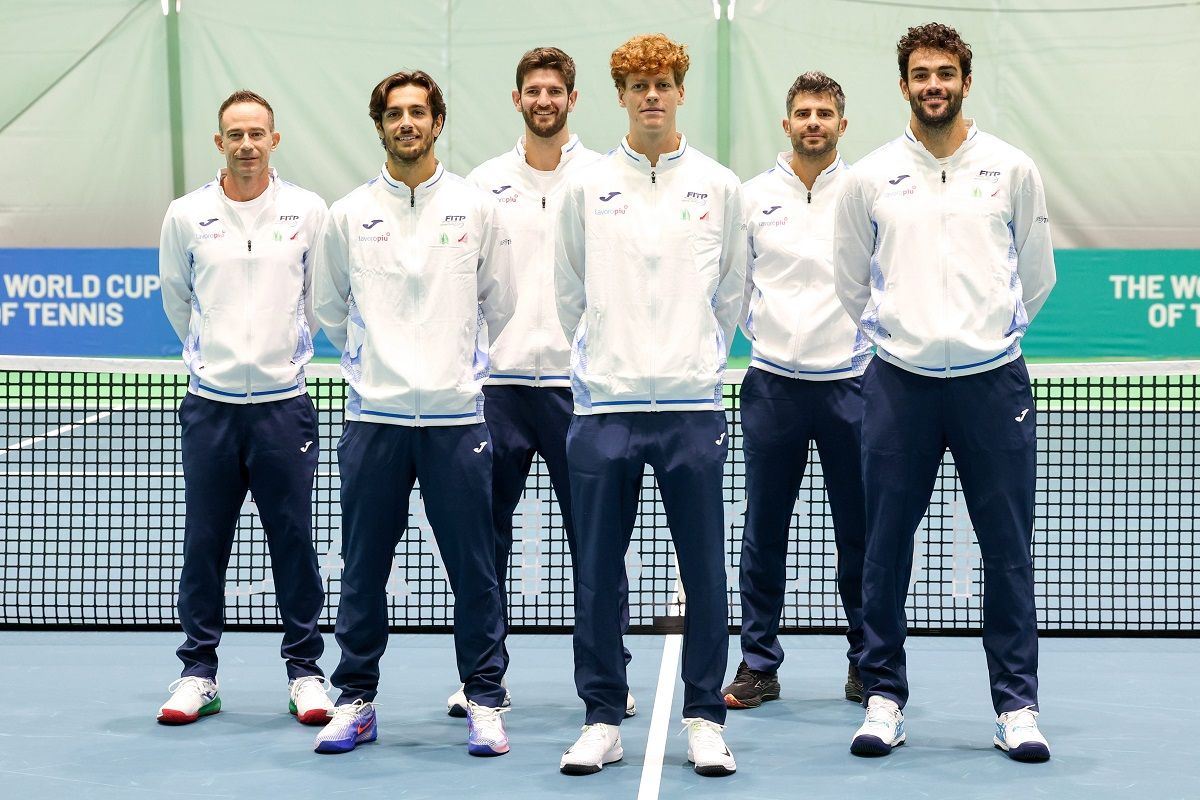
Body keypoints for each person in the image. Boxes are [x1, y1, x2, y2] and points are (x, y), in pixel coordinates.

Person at [834, 22, 1056, 762]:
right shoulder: (867, 177)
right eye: (921, 74)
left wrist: (991, 336)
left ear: (965, 80)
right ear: (904, 85)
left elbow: (1038, 273)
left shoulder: (1012, 169)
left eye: (946, 73)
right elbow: (849, 278)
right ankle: (884, 698)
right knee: (884, 551)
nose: (934, 85)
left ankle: (1016, 706)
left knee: (1008, 551)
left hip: (993, 387)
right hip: (900, 387)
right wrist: (900, 338)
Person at [555, 33, 746, 777]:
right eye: (638, 85)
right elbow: (570, 287)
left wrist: (695, 357)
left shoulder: (720, 186)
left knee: (704, 571)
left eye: (663, 82)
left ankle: (704, 717)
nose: (652, 96)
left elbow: (730, 292)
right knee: (598, 570)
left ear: (681, 90)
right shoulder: (587, 187)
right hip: (605, 409)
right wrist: (609, 354)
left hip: (693, 409)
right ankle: (602, 716)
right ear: (621, 96)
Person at [312, 70, 516, 757]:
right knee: (365, 568)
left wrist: (456, 368)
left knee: (476, 571)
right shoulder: (348, 215)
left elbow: (502, 301)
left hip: (458, 423)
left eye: (418, 112)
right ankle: (357, 699)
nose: (407, 123)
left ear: (437, 122)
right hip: (376, 421)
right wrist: (378, 367)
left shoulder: (476, 207)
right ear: (380, 124)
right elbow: (328, 309)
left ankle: (485, 698)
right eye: (395, 113)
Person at [453, 46, 638, 721]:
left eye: (555, 89)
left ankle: (608, 676)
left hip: (578, 392)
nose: (544, 99)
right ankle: (482, 679)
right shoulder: (481, 185)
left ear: (572, 99)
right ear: (517, 99)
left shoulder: (603, 178)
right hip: (497, 391)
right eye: (533, 89)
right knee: (483, 543)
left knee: (597, 542)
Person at [157, 90, 333, 727]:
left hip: (285, 409)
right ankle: (197, 673)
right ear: (219, 142)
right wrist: (216, 359)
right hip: (210, 410)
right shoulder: (186, 215)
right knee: (205, 541)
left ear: (274, 141)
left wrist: (283, 355)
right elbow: (179, 299)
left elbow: (319, 300)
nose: (247, 145)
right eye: (235, 134)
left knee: (294, 542)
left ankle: (306, 673)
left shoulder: (308, 211)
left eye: (258, 133)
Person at [721, 72, 870, 711]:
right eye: (803, 113)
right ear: (786, 124)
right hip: (773, 386)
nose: (814, 121)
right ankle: (759, 664)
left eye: (826, 113)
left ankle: (869, 661)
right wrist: (768, 342)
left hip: (854, 388)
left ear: (842, 123)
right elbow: (736, 286)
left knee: (861, 533)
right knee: (764, 530)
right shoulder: (753, 197)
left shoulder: (866, 192)